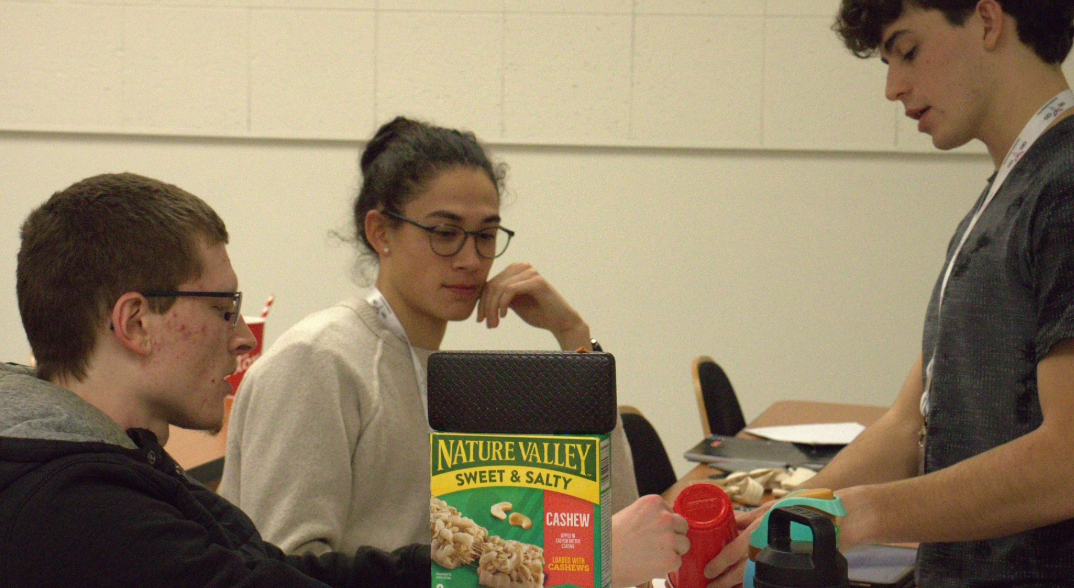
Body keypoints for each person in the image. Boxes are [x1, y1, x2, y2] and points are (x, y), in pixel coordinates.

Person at [704, 0, 1074, 588]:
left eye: (906, 51)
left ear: (987, 21)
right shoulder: (1006, 194)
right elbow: (909, 426)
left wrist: (856, 513)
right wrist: (790, 510)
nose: (894, 87)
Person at [220, 117, 686, 586]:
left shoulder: (451, 376)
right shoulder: (317, 361)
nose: (471, 259)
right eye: (445, 233)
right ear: (381, 232)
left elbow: (618, 527)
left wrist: (572, 335)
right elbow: (281, 573)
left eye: (486, 235)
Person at [0, 172, 430, 588]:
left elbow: (267, 571)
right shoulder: (81, 512)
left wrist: (450, 566)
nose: (243, 337)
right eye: (223, 308)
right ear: (135, 324)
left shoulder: (111, 463)